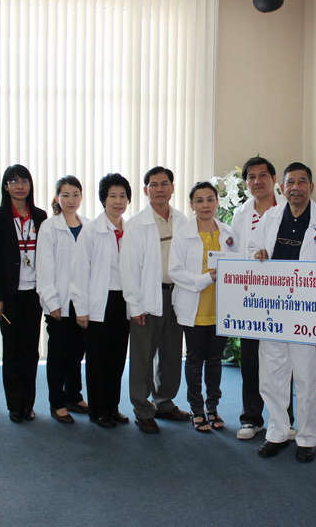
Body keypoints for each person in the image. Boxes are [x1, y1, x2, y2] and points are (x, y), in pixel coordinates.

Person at [249, 162, 316, 463]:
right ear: (283, 187)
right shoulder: (271, 217)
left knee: (306, 379)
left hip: (307, 312)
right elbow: (252, 249)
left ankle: (307, 437)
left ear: (311, 187)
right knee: (272, 376)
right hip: (273, 311)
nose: (296, 187)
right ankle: (277, 432)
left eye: (302, 182)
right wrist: (258, 254)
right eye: (290, 182)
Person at [119, 166, 189, 434]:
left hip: (176, 295)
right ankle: (142, 408)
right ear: (146, 190)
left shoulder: (182, 220)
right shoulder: (137, 224)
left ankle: (164, 402)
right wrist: (134, 305)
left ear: (173, 187)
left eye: (164, 183)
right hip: (149, 296)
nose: (160, 189)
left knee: (171, 353)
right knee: (143, 357)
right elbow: (129, 268)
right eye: (154, 185)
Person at [230, 156, 294, 441]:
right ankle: (251, 418)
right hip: (251, 298)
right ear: (246, 183)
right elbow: (235, 256)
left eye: (263, 175)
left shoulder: (289, 209)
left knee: (283, 362)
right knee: (251, 360)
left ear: (274, 180)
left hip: (282, 298)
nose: (257, 181)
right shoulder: (240, 215)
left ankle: (285, 421)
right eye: (251, 177)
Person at [169, 182, 239, 432]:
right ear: (192, 205)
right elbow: (175, 271)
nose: (205, 205)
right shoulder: (183, 234)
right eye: (199, 200)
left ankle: (213, 407)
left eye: (210, 199)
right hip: (195, 307)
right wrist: (205, 278)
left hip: (221, 308)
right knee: (195, 360)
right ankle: (197, 409)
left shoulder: (228, 233)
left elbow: (238, 263)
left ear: (217, 202)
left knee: (215, 360)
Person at [0, 164, 47, 423]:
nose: (20, 186)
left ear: (30, 185)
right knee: (12, 350)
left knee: (30, 350)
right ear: (5, 186)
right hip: (9, 296)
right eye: (14, 182)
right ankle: (14, 404)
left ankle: (28, 404)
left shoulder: (40, 216)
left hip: (34, 294)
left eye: (24, 181)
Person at [70, 173, 133, 429]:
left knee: (117, 358)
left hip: (123, 301)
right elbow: (79, 272)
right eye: (112, 196)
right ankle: (97, 411)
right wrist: (81, 309)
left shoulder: (130, 230)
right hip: (99, 301)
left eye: (123, 196)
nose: (118, 201)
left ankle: (112, 407)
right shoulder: (91, 231)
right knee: (97, 360)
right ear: (103, 200)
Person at [36, 176, 90, 424]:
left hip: (81, 302)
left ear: (81, 196)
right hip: (59, 302)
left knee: (77, 352)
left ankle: (73, 396)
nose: (71, 200)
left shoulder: (88, 225)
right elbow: (44, 267)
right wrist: (52, 302)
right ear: (57, 198)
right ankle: (57, 402)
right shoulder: (49, 227)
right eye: (65, 195)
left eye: (75, 194)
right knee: (59, 354)